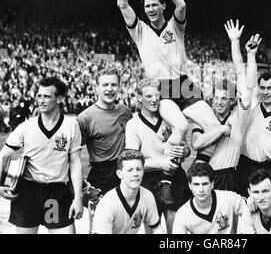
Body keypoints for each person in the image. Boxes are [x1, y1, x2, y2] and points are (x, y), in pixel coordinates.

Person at [117, 0, 220, 163]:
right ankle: (167, 174)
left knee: (215, 128)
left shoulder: (175, 26)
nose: (151, 9)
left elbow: (181, 5)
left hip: (184, 85)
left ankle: (200, 166)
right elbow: (122, 4)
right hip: (160, 88)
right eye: (147, 6)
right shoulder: (140, 30)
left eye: (155, 5)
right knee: (180, 126)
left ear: (164, 6)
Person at [0, 77, 83, 234]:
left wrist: (78, 198)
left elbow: (75, 163)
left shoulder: (71, 126)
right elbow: (3, 156)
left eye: (46, 96)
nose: (41, 100)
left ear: (59, 98)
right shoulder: (26, 127)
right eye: (39, 96)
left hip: (56, 193)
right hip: (28, 193)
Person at [226, 20, 271, 198]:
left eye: (269, 88)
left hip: (270, 168)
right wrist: (248, 52)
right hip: (246, 165)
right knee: (244, 212)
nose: (265, 92)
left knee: (268, 216)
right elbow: (241, 72)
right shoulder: (252, 105)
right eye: (262, 88)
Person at [190, 20, 254, 192]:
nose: (218, 102)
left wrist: (234, 43)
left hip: (228, 176)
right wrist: (220, 130)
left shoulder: (237, 116)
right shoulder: (203, 117)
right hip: (204, 177)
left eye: (224, 98)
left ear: (232, 101)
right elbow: (196, 144)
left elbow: (241, 75)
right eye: (216, 98)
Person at [125, 78, 191, 233]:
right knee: (152, 228)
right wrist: (160, 164)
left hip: (175, 178)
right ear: (139, 98)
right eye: (148, 96)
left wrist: (184, 151)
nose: (154, 100)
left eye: (157, 96)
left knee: (176, 229)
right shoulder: (133, 125)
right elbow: (132, 161)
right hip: (150, 180)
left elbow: (186, 149)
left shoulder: (169, 118)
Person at [77, 68, 133, 195]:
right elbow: (71, 155)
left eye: (114, 84)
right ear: (97, 87)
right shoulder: (85, 118)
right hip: (101, 176)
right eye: (105, 85)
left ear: (119, 87)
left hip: (125, 172)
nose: (110, 89)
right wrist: (83, 185)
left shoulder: (125, 111)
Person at [92, 150, 164, 234]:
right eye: (130, 170)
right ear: (119, 174)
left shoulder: (147, 195)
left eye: (139, 169)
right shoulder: (108, 203)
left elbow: (156, 228)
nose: (135, 174)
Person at [172, 162, 245, 234]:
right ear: (190, 186)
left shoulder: (228, 198)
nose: (201, 190)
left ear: (212, 184)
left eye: (205, 184)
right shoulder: (183, 214)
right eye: (196, 184)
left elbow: (249, 205)